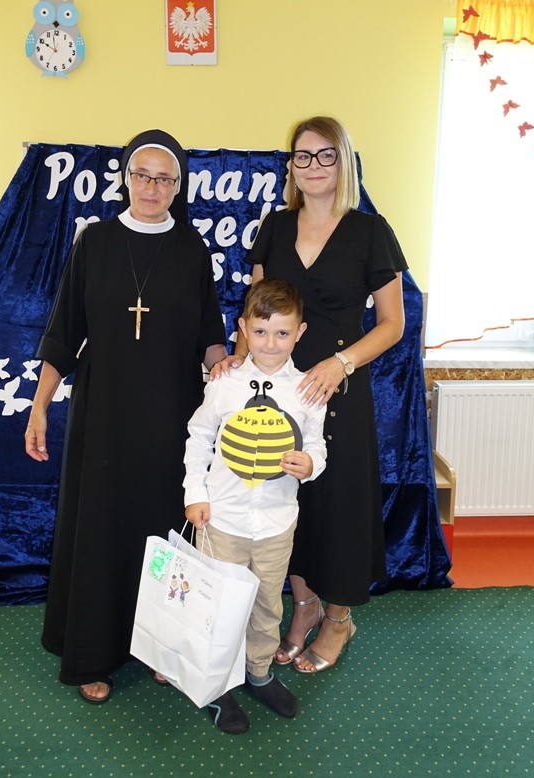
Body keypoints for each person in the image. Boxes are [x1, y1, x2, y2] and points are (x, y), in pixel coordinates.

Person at [24, 129, 227, 704]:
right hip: (105, 416)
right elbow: (64, 333)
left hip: (171, 418)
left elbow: (209, 336)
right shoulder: (95, 242)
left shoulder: (191, 249)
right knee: (103, 529)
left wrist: (229, 374)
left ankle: (161, 647)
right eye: (143, 175)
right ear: (126, 179)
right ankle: (93, 653)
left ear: (178, 187)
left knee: (165, 532)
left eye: (165, 178)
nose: (152, 187)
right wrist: (39, 406)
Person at [213, 116, 408, 674]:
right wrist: (238, 359)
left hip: (338, 387)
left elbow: (393, 324)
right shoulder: (275, 227)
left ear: (343, 162)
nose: (314, 166)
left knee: (338, 508)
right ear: (291, 167)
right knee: (288, 500)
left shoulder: (371, 231)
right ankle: (304, 607)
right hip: (277, 389)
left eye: (326, 155)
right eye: (303, 156)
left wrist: (340, 362)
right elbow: (256, 307)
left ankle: (339, 619)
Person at [184, 278, 327, 734]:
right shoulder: (223, 382)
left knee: (266, 604)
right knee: (219, 604)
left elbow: (317, 444)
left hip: (275, 523)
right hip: (221, 519)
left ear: (300, 333)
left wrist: (311, 464)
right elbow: (199, 437)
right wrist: (194, 493)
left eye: (282, 333)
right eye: (260, 332)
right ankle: (216, 685)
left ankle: (258, 671)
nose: (270, 343)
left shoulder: (306, 389)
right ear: (243, 328)